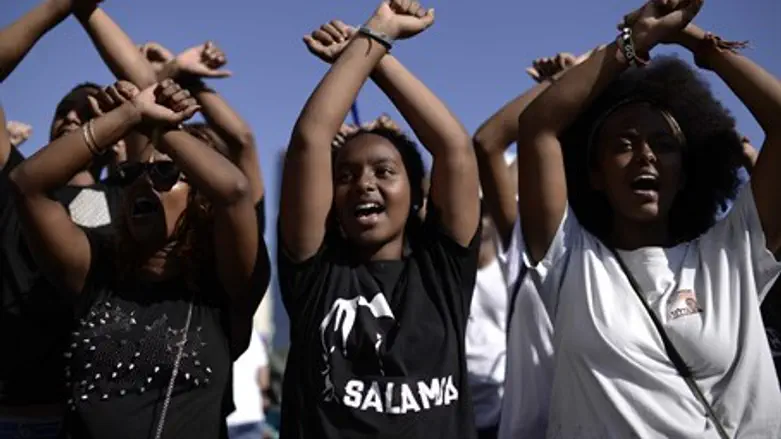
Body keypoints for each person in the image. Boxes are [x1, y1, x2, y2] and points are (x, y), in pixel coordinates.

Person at [514, 0, 781, 436]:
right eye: (623, 144)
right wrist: (636, 41)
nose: (646, 156)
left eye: (664, 144)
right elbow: (536, 126)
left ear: (686, 173)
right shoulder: (570, 261)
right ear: (594, 175)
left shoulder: (733, 254)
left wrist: (695, 43)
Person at [9, 79, 270, 439]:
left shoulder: (221, 288)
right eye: (131, 173)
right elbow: (26, 184)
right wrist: (129, 114)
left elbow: (235, 191)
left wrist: (155, 127)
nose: (143, 183)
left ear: (200, 198)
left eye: (165, 172)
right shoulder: (96, 270)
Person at [278, 1, 481, 437]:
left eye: (384, 172)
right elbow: (311, 139)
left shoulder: (441, 269)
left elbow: (455, 148)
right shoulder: (316, 272)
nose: (364, 184)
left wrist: (374, 52)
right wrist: (376, 31)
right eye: (345, 176)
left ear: (417, 194)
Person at [464, 199, 508, 439]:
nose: (479, 222)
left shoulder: (511, 269)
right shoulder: (448, 274)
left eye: (484, 214)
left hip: (505, 408)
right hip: (462, 408)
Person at [227, 330, 273, 439]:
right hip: (250, 414)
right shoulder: (253, 335)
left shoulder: (214, 331)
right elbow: (264, 381)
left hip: (223, 417)